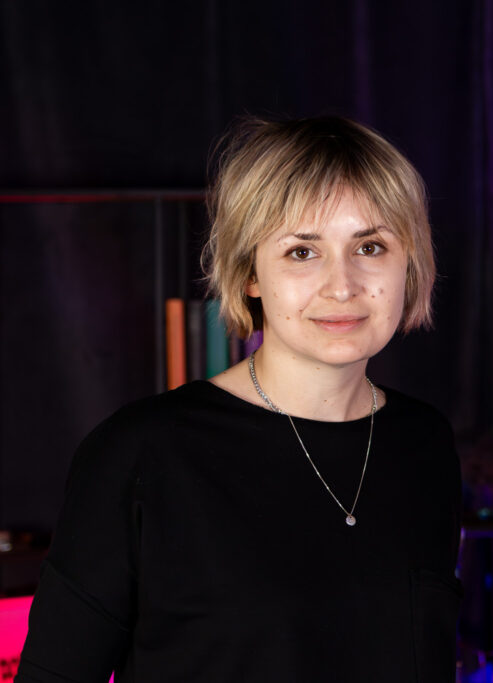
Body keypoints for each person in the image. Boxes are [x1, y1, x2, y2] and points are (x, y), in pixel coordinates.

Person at [16, 116, 462, 682]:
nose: (342, 285)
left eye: (370, 246)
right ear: (250, 274)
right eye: (302, 252)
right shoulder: (142, 453)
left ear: (409, 263)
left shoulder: (425, 443)